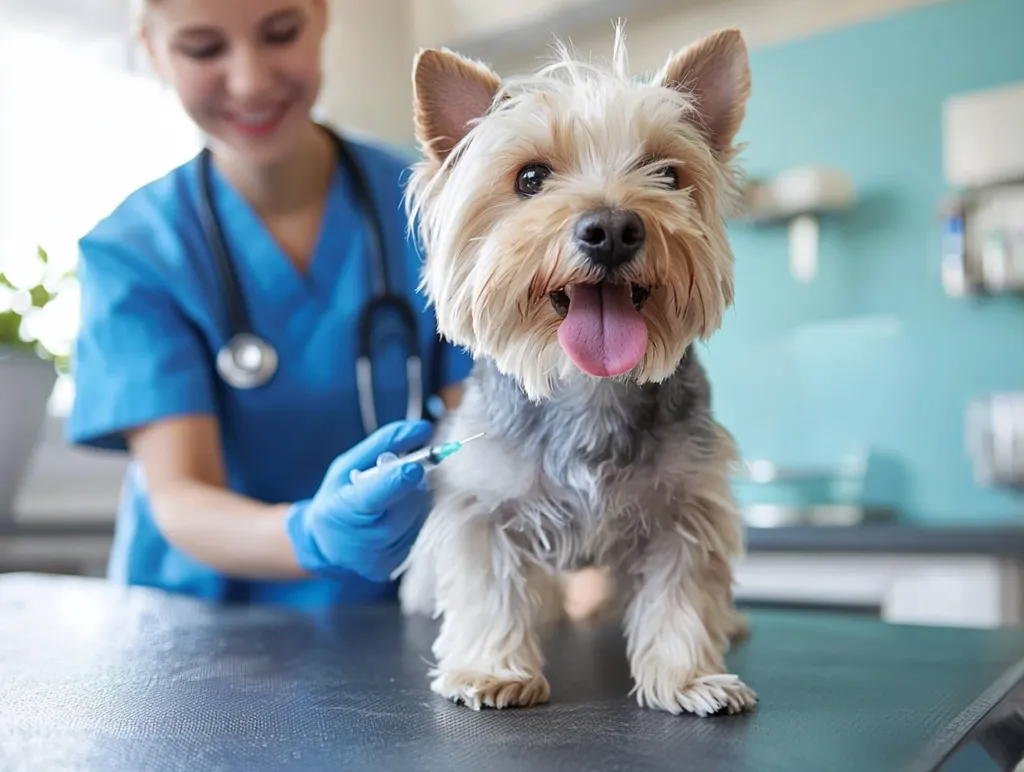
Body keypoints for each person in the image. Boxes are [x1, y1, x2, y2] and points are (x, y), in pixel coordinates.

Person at [66, 0, 472, 610]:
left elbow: (487, 435)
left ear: (322, 15)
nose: (251, 80)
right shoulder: (136, 251)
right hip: (195, 630)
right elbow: (179, 495)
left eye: (280, 33)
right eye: (203, 49)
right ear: (152, 50)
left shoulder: (439, 208)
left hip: (400, 622)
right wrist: (311, 535)